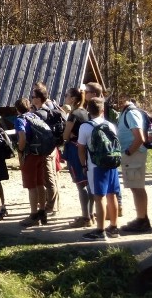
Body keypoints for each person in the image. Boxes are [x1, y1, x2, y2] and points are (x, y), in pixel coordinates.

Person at [78, 98, 121, 240]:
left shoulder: (85, 127)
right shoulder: (110, 125)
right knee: (112, 195)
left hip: (96, 166)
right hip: (112, 163)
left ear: (88, 110)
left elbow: (81, 149)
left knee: (99, 197)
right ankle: (114, 227)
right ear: (103, 110)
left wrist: (83, 165)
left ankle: (100, 230)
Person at [116, 94, 151, 233]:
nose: (115, 101)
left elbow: (140, 137)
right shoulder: (127, 112)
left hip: (134, 154)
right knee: (136, 187)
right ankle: (142, 218)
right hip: (133, 154)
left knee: (137, 188)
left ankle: (141, 221)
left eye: (117, 98)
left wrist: (129, 152)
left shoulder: (131, 113)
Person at [62, 87, 94, 228]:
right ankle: (91, 214)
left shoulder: (74, 114)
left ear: (73, 99)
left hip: (75, 150)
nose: (65, 98)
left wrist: (68, 135)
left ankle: (85, 217)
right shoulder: (86, 113)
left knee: (81, 185)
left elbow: (65, 135)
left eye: (67, 95)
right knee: (89, 182)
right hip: (87, 149)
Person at [15, 98, 48, 227]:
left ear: (17, 108)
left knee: (31, 186)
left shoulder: (19, 119)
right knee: (40, 183)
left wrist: (20, 149)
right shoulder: (34, 116)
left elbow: (22, 136)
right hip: (40, 152)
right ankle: (42, 211)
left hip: (29, 154)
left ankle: (33, 215)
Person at [30, 84, 60, 215]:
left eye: (33, 97)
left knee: (48, 179)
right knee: (51, 176)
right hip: (52, 148)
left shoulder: (39, 114)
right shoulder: (48, 110)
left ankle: (51, 206)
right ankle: (54, 205)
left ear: (38, 99)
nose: (31, 98)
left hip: (45, 150)